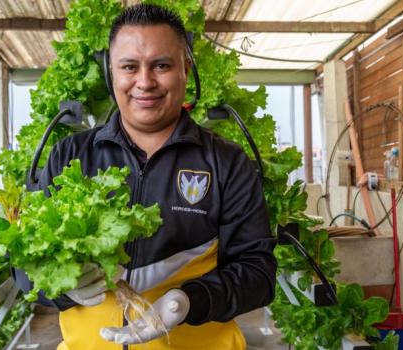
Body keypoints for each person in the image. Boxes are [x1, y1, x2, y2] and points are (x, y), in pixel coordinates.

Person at [34, 4, 277, 350]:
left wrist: (190, 300)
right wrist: (59, 286)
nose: (145, 82)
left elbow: (258, 272)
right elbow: (26, 270)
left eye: (161, 65)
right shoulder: (70, 157)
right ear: (111, 73)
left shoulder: (226, 162)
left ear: (185, 69)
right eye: (129, 67)